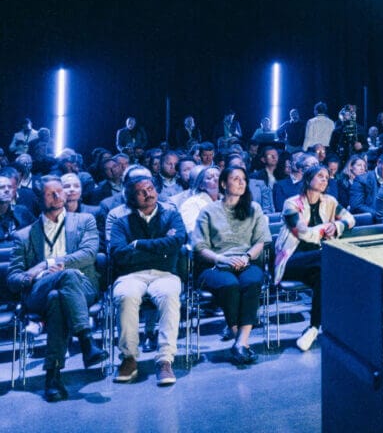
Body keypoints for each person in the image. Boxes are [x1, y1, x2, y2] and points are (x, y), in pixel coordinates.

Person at [8, 177, 106, 401]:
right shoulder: (23, 235)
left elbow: (89, 254)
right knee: (57, 286)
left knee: (58, 296)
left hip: (83, 287)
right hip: (38, 292)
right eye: (50, 193)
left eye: (60, 191)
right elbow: (13, 278)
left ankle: (52, 376)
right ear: (39, 199)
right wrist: (38, 276)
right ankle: (85, 340)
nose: (58, 196)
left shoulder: (84, 221)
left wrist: (47, 264)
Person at [108, 173, 185, 386]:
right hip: (131, 274)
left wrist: (137, 244)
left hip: (165, 273)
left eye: (150, 189)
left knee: (169, 294)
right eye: (141, 192)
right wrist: (161, 247)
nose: (147, 194)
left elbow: (177, 242)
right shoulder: (121, 223)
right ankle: (129, 358)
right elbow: (119, 253)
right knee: (125, 295)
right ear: (131, 198)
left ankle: (164, 360)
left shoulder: (171, 216)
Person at [273, 160, 354, 352]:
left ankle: (313, 327)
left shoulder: (330, 202)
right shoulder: (291, 203)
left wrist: (338, 225)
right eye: (320, 176)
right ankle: (337, 321)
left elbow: (350, 219)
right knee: (326, 258)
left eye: (327, 177)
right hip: (290, 260)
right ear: (308, 178)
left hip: (316, 262)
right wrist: (326, 228)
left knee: (323, 277)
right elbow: (302, 233)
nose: (324, 180)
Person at [192, 165, 270, 365]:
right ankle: (240, 341)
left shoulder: (254, 209)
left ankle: (241, 342)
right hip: (214, 264)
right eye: (235, 179)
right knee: (229, 285)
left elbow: (260, 241)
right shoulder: (208, 211)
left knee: (251, 282)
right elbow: (200, 247)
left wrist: (246, 257)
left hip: (246, 260)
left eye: (244, 179)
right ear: (223, 183)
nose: (241, 182)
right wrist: (222, 259)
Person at [179, 165, 222, 233]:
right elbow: (192, 231)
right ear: (201, 185)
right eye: (210, 177)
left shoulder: (227, 200)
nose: (216, 179)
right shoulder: (191, 203)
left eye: (218, 176)